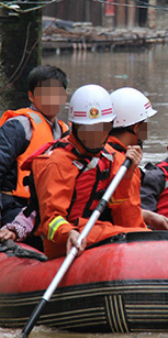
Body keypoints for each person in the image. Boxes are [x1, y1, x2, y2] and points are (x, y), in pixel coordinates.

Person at [23, 84, 144, 259]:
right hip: (67, 242)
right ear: (75, 126)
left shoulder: (111, 157)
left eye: (101, 128)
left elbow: (117, 205)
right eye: (89, 129)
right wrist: (68, 233)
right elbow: (51, 221)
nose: (95, 135)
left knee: (141, 235)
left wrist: (126, 177)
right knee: (132, 236)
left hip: (96, 230)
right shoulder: (57, 162)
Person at [0, 65, 69, 226]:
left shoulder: (65, 133)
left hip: (49, 208)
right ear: (31, 96)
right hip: (13, 207)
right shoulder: (19, 127)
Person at [109, 87, 168, 231]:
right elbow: (128, 220)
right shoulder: (123, 164)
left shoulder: (104, 153)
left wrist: (147, 215)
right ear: (137, 127)